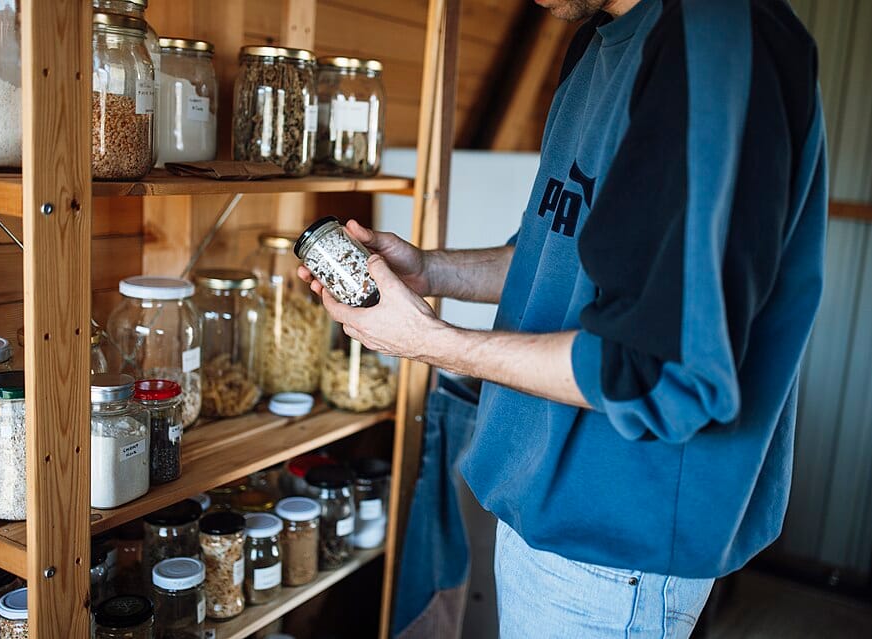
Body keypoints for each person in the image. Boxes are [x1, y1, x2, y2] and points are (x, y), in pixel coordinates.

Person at [300, 0, 827, 636]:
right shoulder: (597, 42)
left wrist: (427, 340)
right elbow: (552, 252)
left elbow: (654, 370)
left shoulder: (717, 45)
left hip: (620, 545)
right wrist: (430, 270)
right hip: (542, 500)